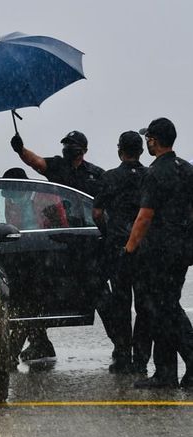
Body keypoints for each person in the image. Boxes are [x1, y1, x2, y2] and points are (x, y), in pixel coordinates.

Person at [9, 130, 106, 361]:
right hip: (58, 240)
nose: (67, 148)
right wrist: (21, 150)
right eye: (65, 144)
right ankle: (37, 344)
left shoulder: (96, 175)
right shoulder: (57, 166)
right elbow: (36, 162)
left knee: (102, 297)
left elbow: (103, 206)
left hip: (87, 242)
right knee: (34, 296)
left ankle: (123, 349)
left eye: (72, 145)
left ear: (83, 149)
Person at [123, 118, 193, 389]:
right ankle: (169, 370)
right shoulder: (187, 169)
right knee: (167, 307)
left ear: (153, 140)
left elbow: (144, 217)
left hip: (158, 253)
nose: (146, 142)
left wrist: (129, 249)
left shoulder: (153, 174)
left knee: (161, 310)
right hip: (181, 252)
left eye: (148, 138)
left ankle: (167, 372)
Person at [92, 131, 150, 374]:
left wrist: (108, 232)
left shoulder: (109, 178)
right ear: (141, 151)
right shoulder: (149, 176)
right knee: (145, 305)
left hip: (118, 248)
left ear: (119, 151)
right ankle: (142, 359)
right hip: (145, 247)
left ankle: (123, 355)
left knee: (121, 304)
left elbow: (96, 213)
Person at [1, 167, 68, 367]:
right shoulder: (11, 200)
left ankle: (12, 352)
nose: (10, 198)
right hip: (24, 257)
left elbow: (61, 228)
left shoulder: (46, 197)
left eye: (12, 194)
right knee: (28, 304)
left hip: (46, 257)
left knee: (28, 306)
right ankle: (41, 344)